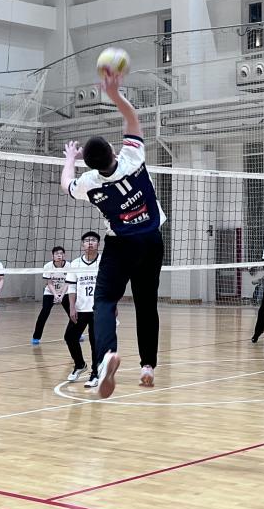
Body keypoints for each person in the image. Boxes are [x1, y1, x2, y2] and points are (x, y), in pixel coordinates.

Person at [61, 71, 165, 399]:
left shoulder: (89, 183)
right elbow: (132, 119)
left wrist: (70, 158)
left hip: (121, 246)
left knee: (105, 301)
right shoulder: (133, 159)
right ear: (113, 150)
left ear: (91, 164)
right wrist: (115, 94)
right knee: (146, 304)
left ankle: (107, 354)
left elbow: (66, 184)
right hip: (152, 241)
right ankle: (147, 366)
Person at [65, 232, 102, 387]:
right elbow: (72, 287)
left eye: (93, 240)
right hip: (80, 309)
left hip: (98, 309)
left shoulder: (104, 261)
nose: (90, 243)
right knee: (69, 337)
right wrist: (72, 307)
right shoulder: (75, 264)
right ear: (82, 245)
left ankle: (95, 374)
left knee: (95, 342)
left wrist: (112, 305)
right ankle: (80, 364)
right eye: (87, 241)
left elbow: (111, 285)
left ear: (98, 244)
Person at [32, 246, 70, 344]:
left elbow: (68, 283)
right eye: (57, 254)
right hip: (50, 292)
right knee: (44, 313)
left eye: (61, 253)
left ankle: (77, 333)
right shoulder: (48, 266)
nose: (59, 256)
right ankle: (36, 337)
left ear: (64, 255)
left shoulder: (69, 266)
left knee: (72, 313)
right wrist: (55, 295)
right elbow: (49, 283)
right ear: (52, 256)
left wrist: (61, 295)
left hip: (65, 292)